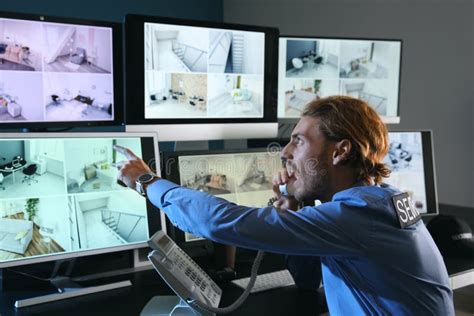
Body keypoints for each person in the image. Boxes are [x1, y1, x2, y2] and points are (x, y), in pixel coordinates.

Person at [115, 96, 454, 315]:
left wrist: (147, 181)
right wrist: (294, 207)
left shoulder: (360, 215)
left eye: (299, 140)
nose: (285, 152)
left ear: (341, 151)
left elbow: (222, 222)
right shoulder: (376, 203)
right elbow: (307, 280)